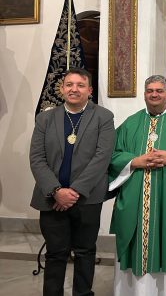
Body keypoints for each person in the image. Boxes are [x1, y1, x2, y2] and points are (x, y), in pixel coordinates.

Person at [109, 75, 166, 295]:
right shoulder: (131, 123)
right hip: (135, 198)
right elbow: (112, 154)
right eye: (150, 90)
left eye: (159, 90)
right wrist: (134, 161)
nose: (154, 94)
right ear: (144, 94)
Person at [29, 67, 115, 296]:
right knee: (56, 253)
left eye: (80, 85)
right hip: (51, 199)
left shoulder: (103, 117)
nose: (74, 89)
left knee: (85, 251)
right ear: (62, 88)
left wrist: (73, 192)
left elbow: (102, 157)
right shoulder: (45, 118)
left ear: (90, 90)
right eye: (69, 84)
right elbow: (37, 158)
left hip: (87, 199)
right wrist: (56, 191)